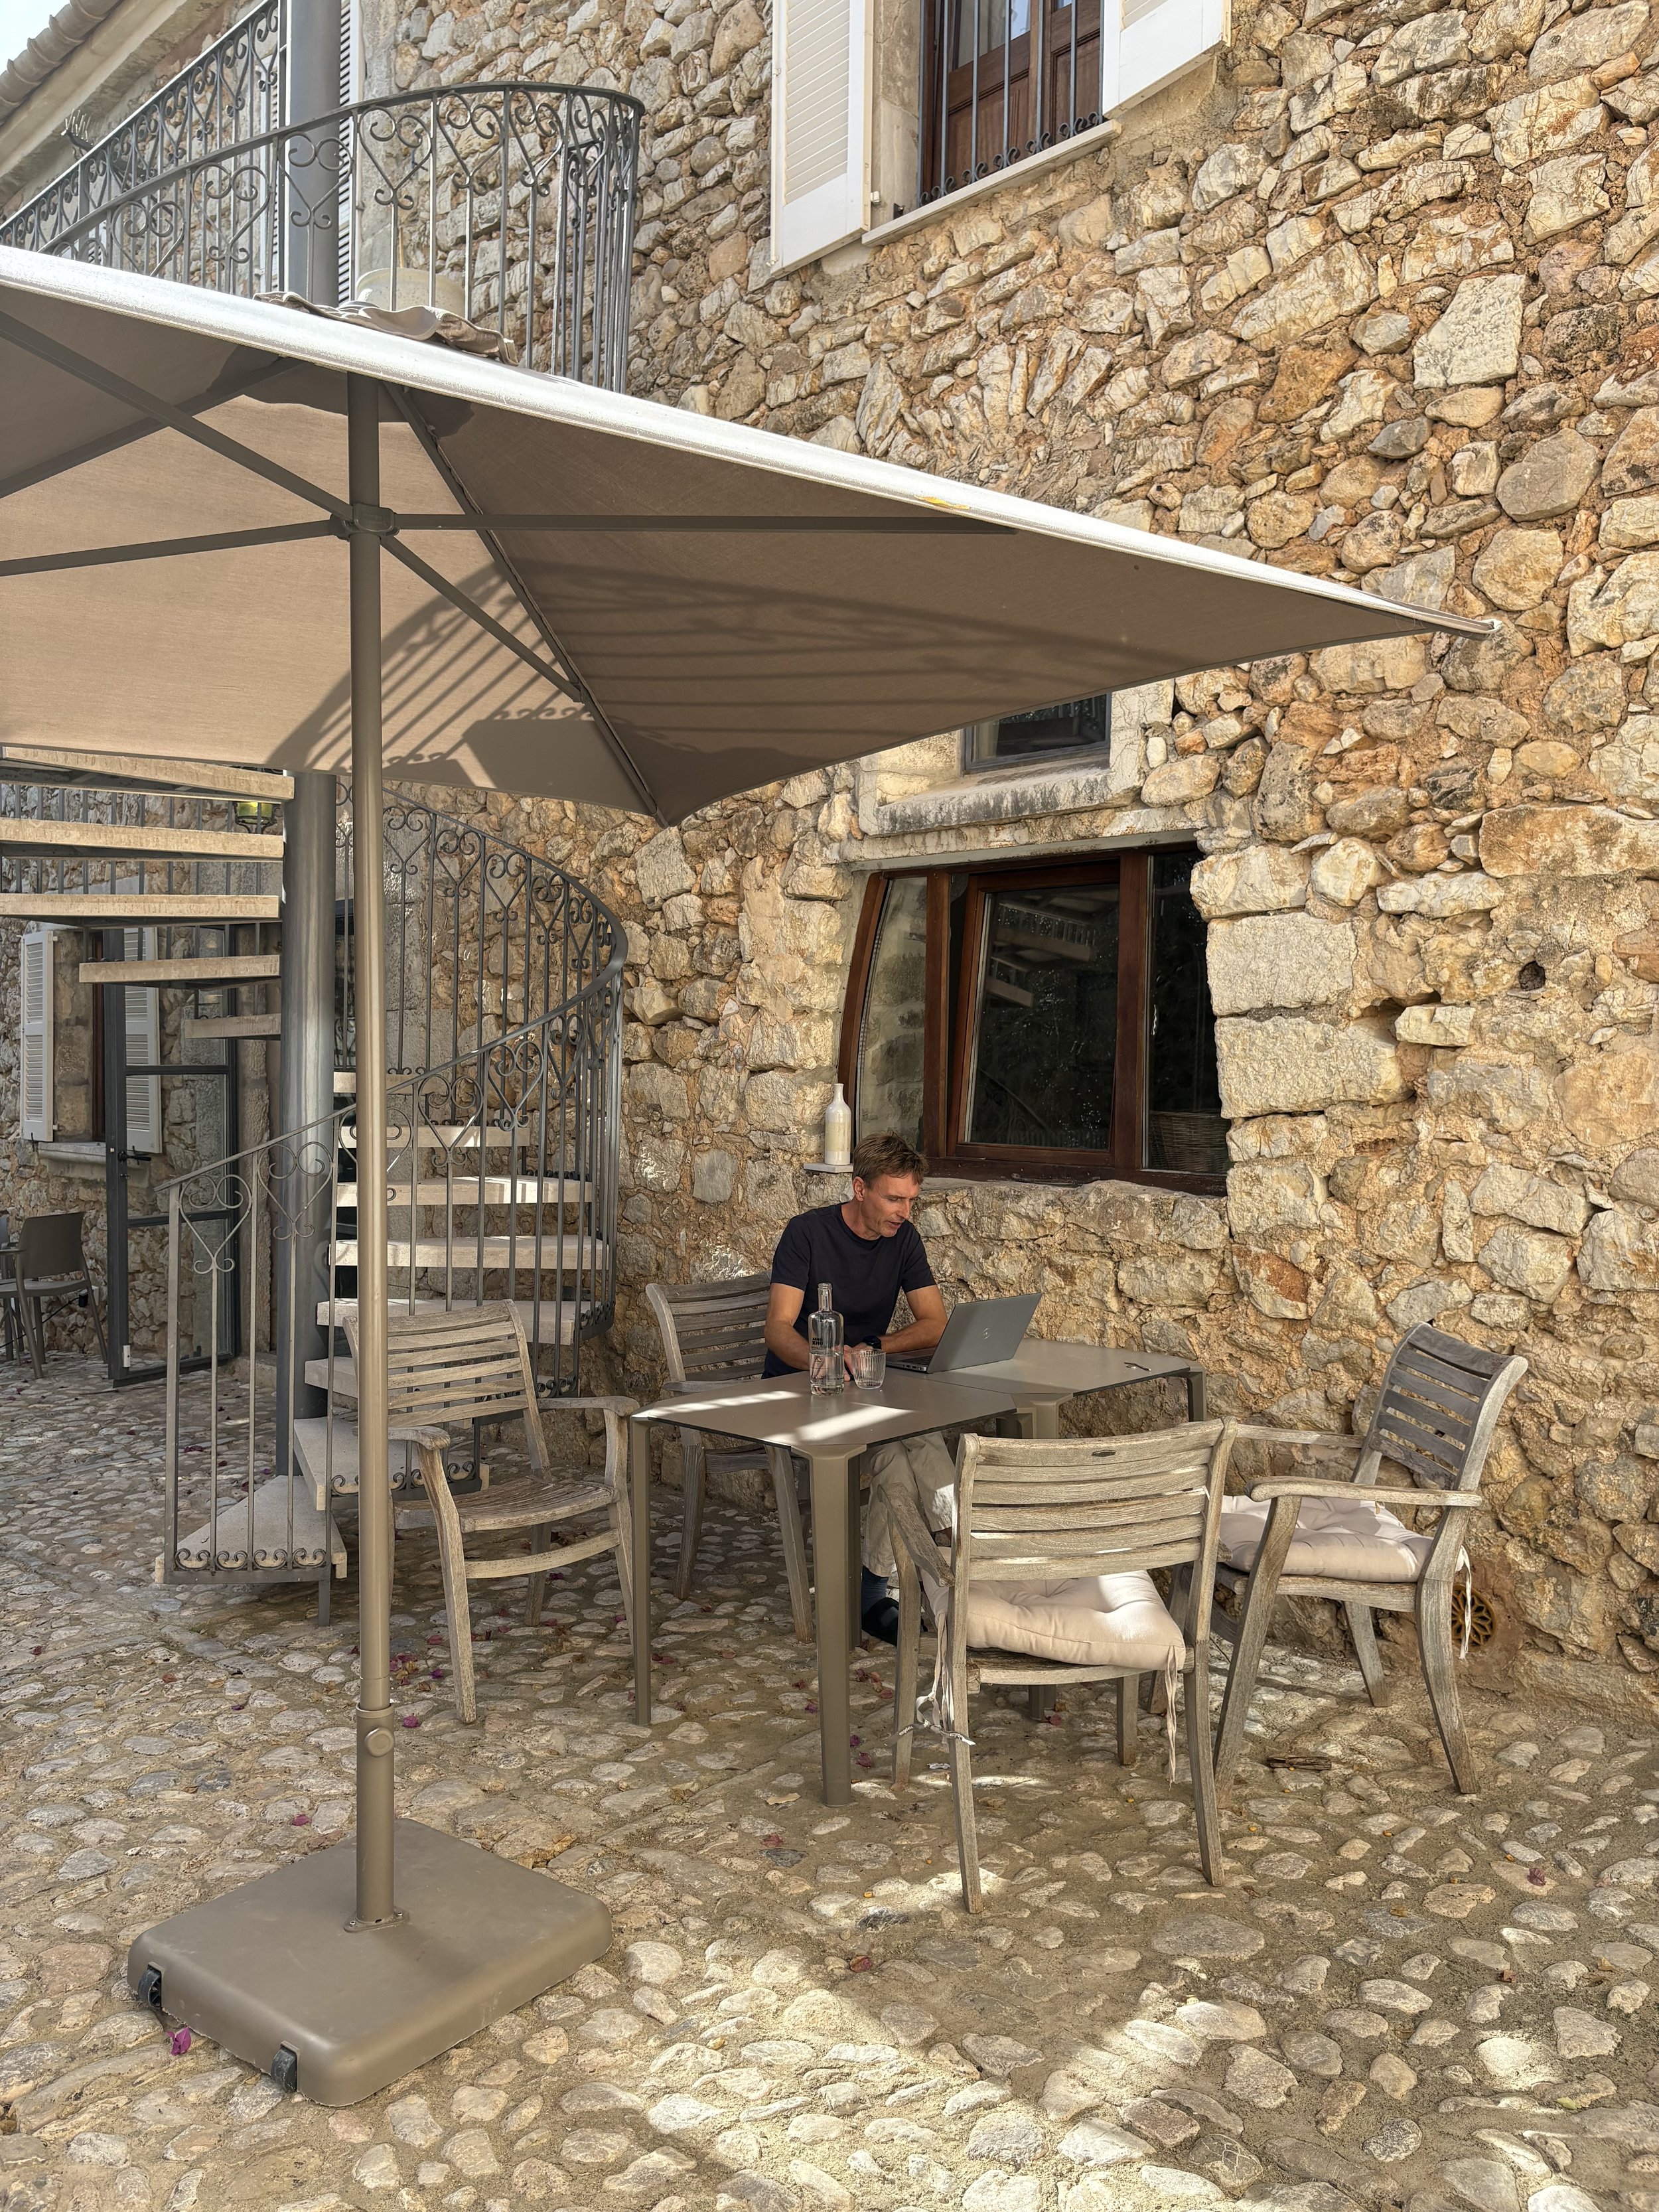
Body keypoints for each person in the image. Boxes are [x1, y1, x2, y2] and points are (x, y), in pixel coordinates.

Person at [763, 1130, 956, 1641]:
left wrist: (874, 1346)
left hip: (862, 1389)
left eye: (911, 1200)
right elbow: (779, 1329)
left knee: (909, 1441)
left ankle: (893, 1588)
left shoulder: (904, 1240)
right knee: (902, 1445)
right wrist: (827, 1358)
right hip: (797, 1392)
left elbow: (935, 1323)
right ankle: (947, 1561)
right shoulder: (806, 1234)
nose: (904, 1211)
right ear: (859, 1189)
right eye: (895, 1198)